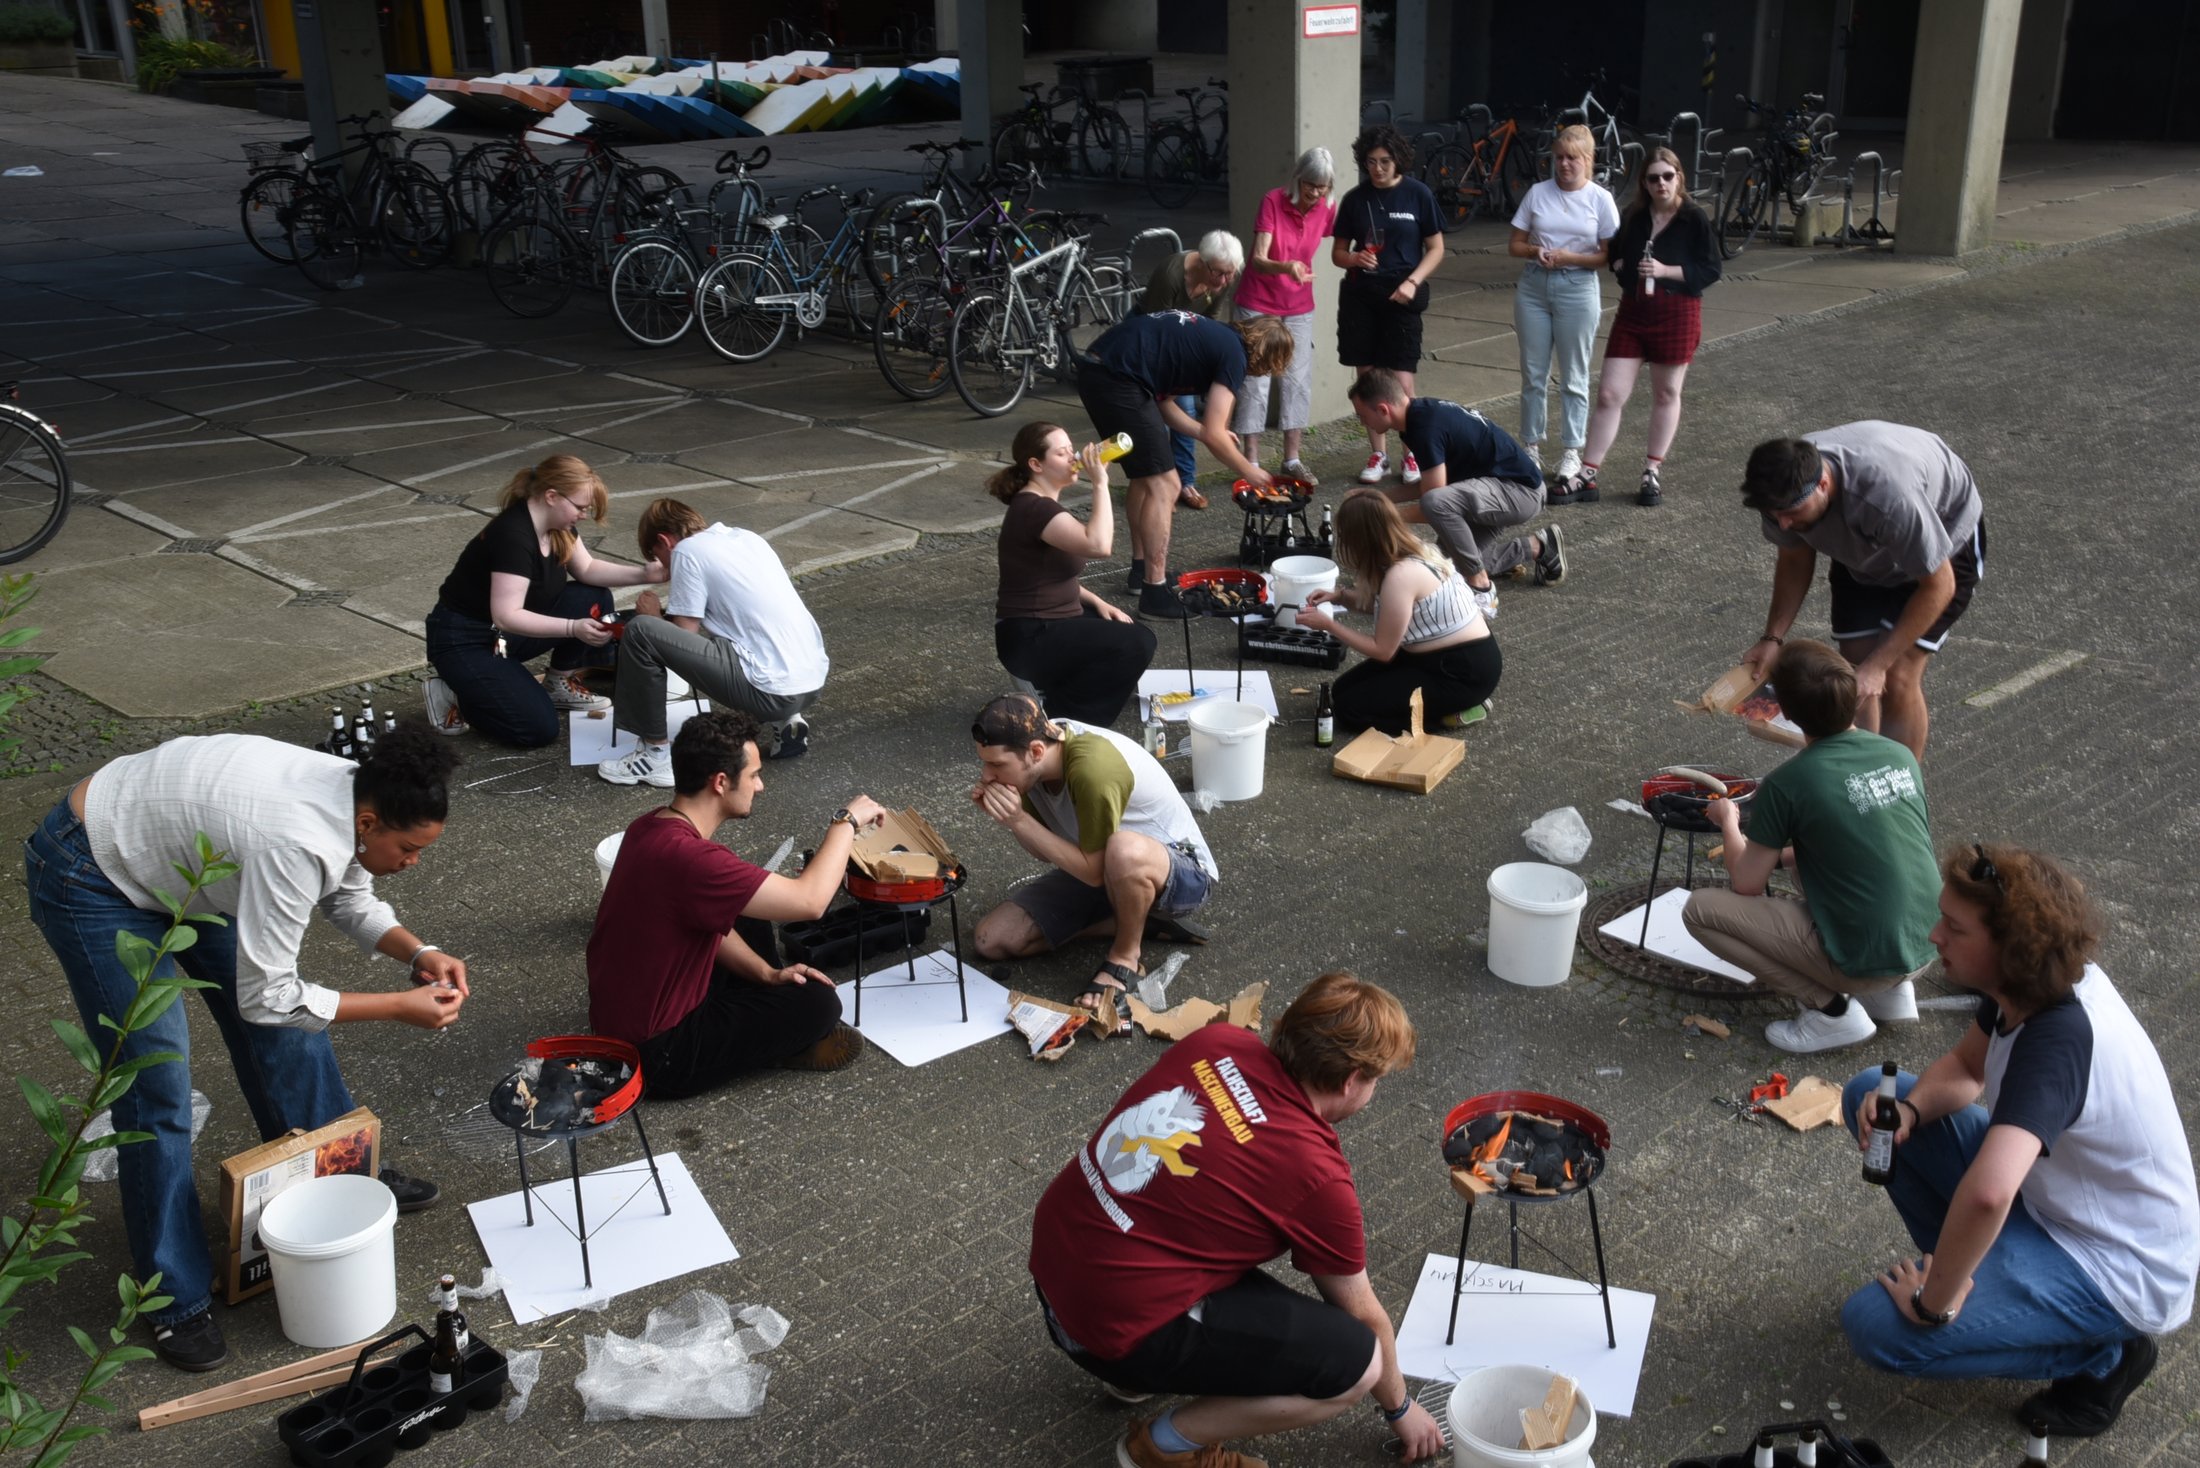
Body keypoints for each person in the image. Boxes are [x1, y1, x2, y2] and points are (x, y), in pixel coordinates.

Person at [23, 726, 468, 1372]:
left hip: (185, 859)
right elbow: (271, 997)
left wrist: (420, 952)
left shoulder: (354, 796)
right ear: (369, 822)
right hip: (91, 872)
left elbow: (348, 892)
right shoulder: (294, 839)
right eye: (408, 849)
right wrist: (396, 1007)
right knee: (156, 1087)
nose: (413, 862)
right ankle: (170, 1296)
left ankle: (342, 1173)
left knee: (287, 1033)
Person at [1837, 845, 2196, 1444]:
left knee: (1877, 1329)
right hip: (2059, 1205)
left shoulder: (2058, 1038)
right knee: (1872, 1095)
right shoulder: (2027, 982)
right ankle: (1983, 1290)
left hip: (2120, 1264)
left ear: (2008, 946)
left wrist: (1933, 1302)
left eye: (1954, 927)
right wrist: (1912, 1109)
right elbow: (1967, 1067)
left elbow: (1989, 1194)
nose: (1935, 935)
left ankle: (2103, 1357)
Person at [1028, 971, 1446, 1468]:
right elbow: (1363, 1312)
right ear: (1352, 1080)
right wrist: (1401, 1408)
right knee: (1359, 1364)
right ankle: (1161, 1448)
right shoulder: (1316, 1176)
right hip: (1103, 1326)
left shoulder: (1217, 1040)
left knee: (1176, 1222)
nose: (1372, 1091)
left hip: (1053, 1271)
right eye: (1376, 1080)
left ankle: (1134, 1377)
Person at [588, 711, 887, 1094]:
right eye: (754, 776)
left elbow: (714, 921)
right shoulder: (693, 861)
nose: (760, 786)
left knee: (749, 907)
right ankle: (773, 1045)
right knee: (820, 1005)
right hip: (656, 1055)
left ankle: (761, 1014)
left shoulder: (649, 826)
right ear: (720, 782)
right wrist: (845, 822)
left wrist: (765, 973)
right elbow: (810, 902)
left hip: (621, 1021)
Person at [1684, 639, 1938, 1053]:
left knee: (1700, 911)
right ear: (1855, 698)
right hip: (1927, 942)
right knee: (1833, 857)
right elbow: (1863, 845)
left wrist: (1730, 822)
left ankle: (1832, 1011)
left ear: (1783, 710)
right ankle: (1891, 993)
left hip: (1864, 959)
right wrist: (1784, 858)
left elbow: (1747, 883)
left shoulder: (1790, 783)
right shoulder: (1900, 755)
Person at [1738, 423, 1987, 758]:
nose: (1783, 524)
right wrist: (1772, 639)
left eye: (1791, 514)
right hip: (1866, 549)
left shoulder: (1888, 498)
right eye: (1774, 516)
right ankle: (1863, 771)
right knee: (1853, 668)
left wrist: (1880, 665)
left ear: (1823, 484)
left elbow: (1938, 585)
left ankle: (1901, 792)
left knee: (1896, 674)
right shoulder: (1784, 494)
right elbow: (1795, 559)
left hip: (1941, 544)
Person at [969, 693, 1217, 1026]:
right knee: (992, 940)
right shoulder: (1029, 765)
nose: (987, 775)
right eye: (985, 763)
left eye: (997, 765)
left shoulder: (1092, 768)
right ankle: (1141, 919)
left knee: (1123, 849)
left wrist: (1019, 820)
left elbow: (1095, 873)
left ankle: (1126, 956)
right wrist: (1010, 819)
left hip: (1180, 874)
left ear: (1036, 752)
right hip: (1099, 867)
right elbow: (1043, 851)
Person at [425, 454, 666, 748]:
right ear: (552, 496)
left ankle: (556, 683)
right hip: (465, 640)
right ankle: (459, 693)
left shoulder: (557, 526)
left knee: (595, 596)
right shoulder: (513, 536)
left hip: (502, 636)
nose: (584, 515)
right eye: (580, 507)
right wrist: (572, 628)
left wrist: (645, 573)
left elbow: (588, 569)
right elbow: (506, 615)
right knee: (536, 729)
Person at [596, 498, 830, 786]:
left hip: (772, 692)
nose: (664, 571)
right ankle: (787, 720)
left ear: (664, 540)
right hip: (812, 680)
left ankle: (654, 757)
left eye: (658, 557)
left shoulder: (686, 551)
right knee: (743, 639)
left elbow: (684, 633)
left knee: (641, 631)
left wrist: (653, 616)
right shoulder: (747, 538)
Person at [1076, 310, 1290, 619]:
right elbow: (1216, 434)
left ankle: (1141, 571)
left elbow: (1165, 405)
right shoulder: (1235, 356)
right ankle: (1154, 592)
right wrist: (1249, 470)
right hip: (1117, 379)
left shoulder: (1213, 337)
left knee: (1145, 478)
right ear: (1267, 355)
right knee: (1167, 484)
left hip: (1103, 368)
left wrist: (1204, 433)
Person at [1561, 146, 1722, 507]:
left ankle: (1652, 470)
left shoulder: (1693, 218)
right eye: (1654, 178)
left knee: (1666, 393)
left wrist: (1665, 271)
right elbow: (1617, 251)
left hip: (1677, 311)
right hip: (1634, 311)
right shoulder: (1634, 215)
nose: (1662, 183)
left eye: (1668, 175)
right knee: (1609, 394)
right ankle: (1588, 473)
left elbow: (1711, 269)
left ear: (1679, 177)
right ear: (1644, 183)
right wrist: (1620, 266)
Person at [1345, 369, 1565, 616]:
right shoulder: (1418, 416)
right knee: (1442, 567)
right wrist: (1378, 499)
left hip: (1519, 493)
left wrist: (1385, 515)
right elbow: (1429, 487)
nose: (1364, 424)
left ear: (1383, 410)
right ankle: (1539, 547)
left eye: (1362, 417)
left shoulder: (1424, 427)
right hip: (1493, 494)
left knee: (1437, 506)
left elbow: (1433, 504)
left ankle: (1481, 587)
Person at [988, 421, 1157, 726]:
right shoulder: (1035, 509)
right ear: (1036, 464)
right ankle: (1065, 721)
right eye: (1062, 453)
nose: (1073, 457)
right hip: (1029, 636)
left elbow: (1047, 575)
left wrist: (1098, 602)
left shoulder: (1039, 505)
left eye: (1071, 449)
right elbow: (1099, 544)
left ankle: (1059, 693)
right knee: (1137, 643)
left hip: (1048, 622)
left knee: (1120, 634)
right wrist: (1100, 483)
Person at [1295, 491, 1500, 734]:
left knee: (1350, 711)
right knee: (1340, 691)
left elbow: (1383, 651)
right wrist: (1339, 596)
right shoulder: (1410, 552)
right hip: (1434, 659)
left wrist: (1329, 625)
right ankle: (1444, 706)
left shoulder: (1401, 575)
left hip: (1461, 672)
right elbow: (1392, 609)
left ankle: (1450, 715)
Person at [1332, 125, 1444, 488]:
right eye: (1370, 162)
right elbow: (1337, 253)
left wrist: (1413, 282)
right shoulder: (1354, 199)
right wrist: (1353, 259)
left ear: (1398, 161)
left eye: (1384, 162)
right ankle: (1377, 453)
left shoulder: (1418, 195)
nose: (1377, 169)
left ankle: (1411, 451)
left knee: (1401, 381)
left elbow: (1436, 248)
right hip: (1361, 296)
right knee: (1368, 378)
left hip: (1402, 296)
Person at [1509, 124, 1619, 488]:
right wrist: (1535, 251)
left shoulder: (1600, 199)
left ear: (1589, 160)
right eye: (1559, 157)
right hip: (1534, 285)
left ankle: (1572, 448)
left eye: (1572, 158)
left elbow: (1607, 255)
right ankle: (1531, 446)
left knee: (1574, 376)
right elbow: (1515, 244)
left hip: (1578, 286)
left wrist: (1570, 256)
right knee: (1533, 373)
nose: (1564, 164)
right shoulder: (1538, 193)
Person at [1234, 148, 1337, 483]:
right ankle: (1251, 461)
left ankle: (1291, 459)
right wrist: (1287, 266)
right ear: (1298, 178)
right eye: (1311, 185)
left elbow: (1339, 239)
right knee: (1256, 381)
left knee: (1297, 380)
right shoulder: (1273, 201)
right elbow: (1258, 259)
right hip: (1259, 301)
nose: (1316, 193)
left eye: (1323, 187)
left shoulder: (1327, 207)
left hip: (1299, 305)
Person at [1139, 229, 1244, 511]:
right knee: (1157, 417)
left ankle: (1185, 482)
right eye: (1219, 273)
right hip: (1151, 341)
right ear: (1203, 263)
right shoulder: (1172, 275)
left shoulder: (1222, 277)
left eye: (1229, 274)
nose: (1224, 281)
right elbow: (1156, 326)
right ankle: (1160, 484)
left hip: (1185, 344)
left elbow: (1209, 319)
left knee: (1186, 412)